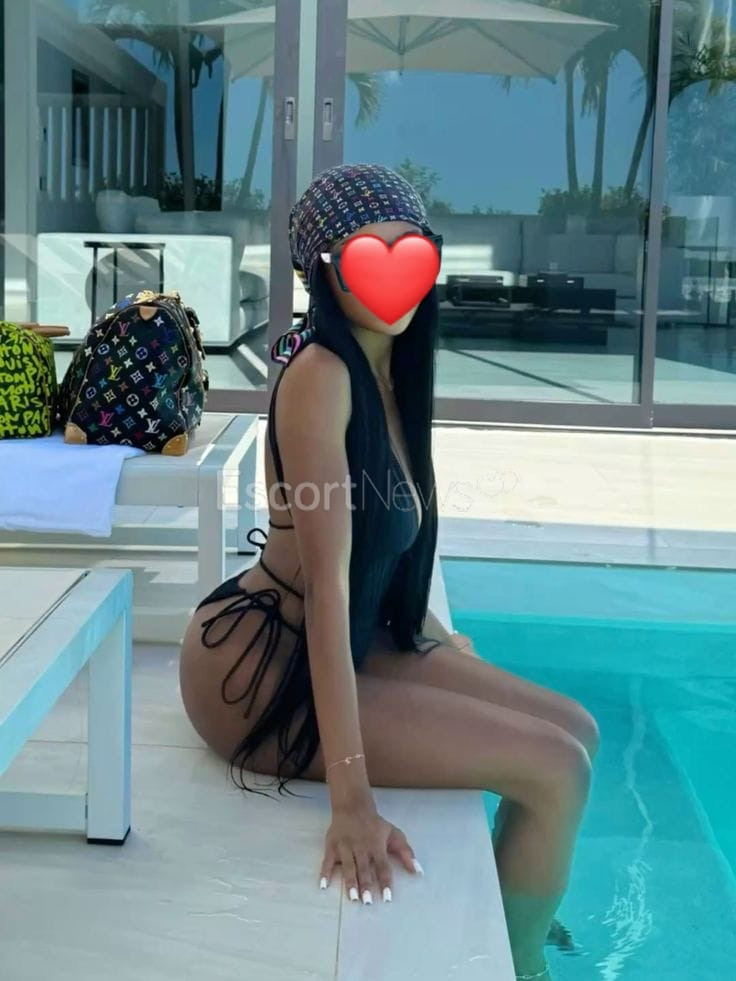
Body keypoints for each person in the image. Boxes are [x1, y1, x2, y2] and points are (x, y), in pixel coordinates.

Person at [179, 163, 599, 981]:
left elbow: (388, 544)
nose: (397, 272)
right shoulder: (321, 378)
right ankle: (519, 961)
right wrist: (352, 800)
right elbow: (328, 589)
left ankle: (521, 903)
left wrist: (434, 636)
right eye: (370, 254)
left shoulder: (391, 370)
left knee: (577, 730)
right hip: (259, 668)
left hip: (350, 633)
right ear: (326, 272)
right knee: (555, 770)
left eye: (413, 250)